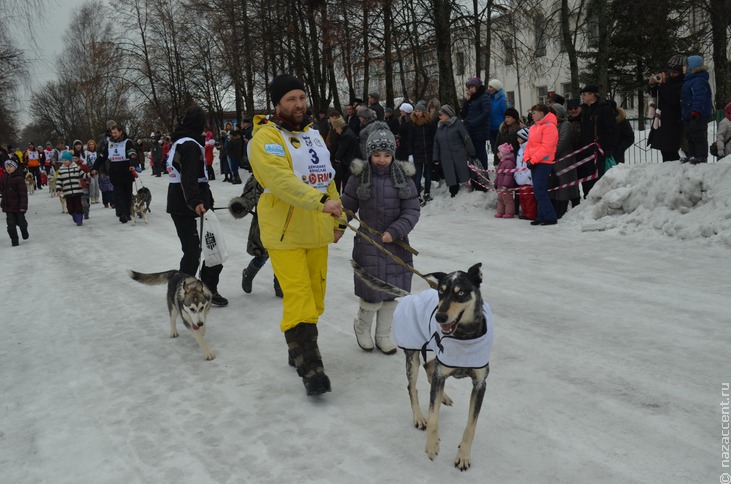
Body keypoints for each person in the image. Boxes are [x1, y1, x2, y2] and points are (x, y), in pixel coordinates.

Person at [248, 74, 346, 397]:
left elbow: (326, 177)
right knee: (299, 298)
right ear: (277, 104)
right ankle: (311, 367)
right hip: (286, 232)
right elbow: (279, 180)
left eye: (302, 98)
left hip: (317, 231)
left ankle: (298, 347)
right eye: (291, 99)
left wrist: (339, 218)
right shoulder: (266, 137)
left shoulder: (313, 136)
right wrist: (320, 202)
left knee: (316, 299)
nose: (299, 104)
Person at [341, 121, 420, 354]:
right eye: (377, 154)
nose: (382, 159)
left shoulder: (403, 178)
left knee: (391, 293)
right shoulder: (359, 178)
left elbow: (412, 211)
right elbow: (346, 208)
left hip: (397, 244)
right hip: (368, 244)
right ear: (369, 154)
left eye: (387, 154)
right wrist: (337, 227)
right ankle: (362, 327)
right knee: (371, 292)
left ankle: (384, 333)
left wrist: (395, 231)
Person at [166, 105, 228, 307]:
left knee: (211, 248)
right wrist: (196, 202)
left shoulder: (183, 141)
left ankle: (208, 288)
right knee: (194, 252)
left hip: (187, 201)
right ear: (200, 124)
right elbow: (189, 177)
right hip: (187, 205)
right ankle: (182, 292)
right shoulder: (190, 145)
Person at [229, 173, 283, 298]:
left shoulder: (290, 171)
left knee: (282, 255)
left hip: (287, 221)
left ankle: (280, 284)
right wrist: (240, 205)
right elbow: (248, 198)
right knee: (262, 256)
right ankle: (248, 273)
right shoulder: (260, 175)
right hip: (265, 223)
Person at [93, 120, 139, 223]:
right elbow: (102, 156)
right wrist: (95, 167)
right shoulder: (109, 143)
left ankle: (128, 212)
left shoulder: (128, 142)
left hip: (126, 170)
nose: (113, 135)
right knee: (118, 194)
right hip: (115, 171)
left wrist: (132, 164)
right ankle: (122, 213)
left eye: (115, 133)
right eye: (112, 133)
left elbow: (133, 154)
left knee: (127, 193)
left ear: (120, 132)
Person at [577, 85, 617, 197]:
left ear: (592, 95)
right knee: (587, 179)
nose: (583, 97)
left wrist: (608, 148)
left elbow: (611, 130)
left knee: (598, 179)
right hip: (586, 150)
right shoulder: (585, 109)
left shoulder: (604, 108)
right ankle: (588, 199)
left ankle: (599, 199)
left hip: (599, 150)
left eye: (585, 94)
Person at [523, 104, 558, 225]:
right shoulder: (533, 127)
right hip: (534, 162)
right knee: (538, 190)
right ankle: (541, 216)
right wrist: (527, 158)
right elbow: (529, 145)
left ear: (542, 113)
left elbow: (546, 147)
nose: (532, 115)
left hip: (544, 162)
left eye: (534, 113)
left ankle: (550, 216)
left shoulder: (550, 127)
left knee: (539, 189)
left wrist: (533, 160)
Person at [647, 55, 685, 162]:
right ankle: (668, 175)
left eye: (675, 73)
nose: (672, 75)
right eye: (670, 72)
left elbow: (673, 98)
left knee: (671, 152)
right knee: (664, 151)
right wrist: (652, 84)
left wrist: (664, 84)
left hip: (673, 122)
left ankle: (674, 174)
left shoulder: (682, 83)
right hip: (661, 120)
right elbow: (655, 94)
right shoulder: (668, 81)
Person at [433, 104, 476, 197]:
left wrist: (472, 152)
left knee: (463, 172)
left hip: (459, 154)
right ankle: (453, 190)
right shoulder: (440, 126)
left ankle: (468, 190)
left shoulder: (457, 124)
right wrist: (435, 157)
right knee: (450, 175)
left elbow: (466, 138)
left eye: (441, 114)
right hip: (446, 157)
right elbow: (436, 143)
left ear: (447, 115)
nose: (439, 117)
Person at [680, 54, 713, 164]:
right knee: (690, 135)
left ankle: (701, 156)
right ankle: (692, 155)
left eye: (685, 66)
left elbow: (699, 97)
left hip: (698, 115)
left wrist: (696, 111)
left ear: (691, 68)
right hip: (689, 114)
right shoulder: (689, 80)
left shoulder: (698, 80)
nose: (682, 68)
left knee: (699, 135)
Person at [549, 104, 579, 219]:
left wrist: (550, 153)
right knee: (556, 185)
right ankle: (557, 210)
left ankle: (563, 211)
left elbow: (563, 141)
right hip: (554, 160)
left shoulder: (566, 125)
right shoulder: (552, 125)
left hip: (564, 160)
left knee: (565, 186)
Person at [460, 77, 491, 170]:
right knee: (473, 154)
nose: (470, 89)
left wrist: (473, 123)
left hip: (480, 131)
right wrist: (466, 100)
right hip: (471, 131)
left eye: (472, 87)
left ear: (477, 87)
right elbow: (463, 114)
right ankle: (476, 175)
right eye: (469, 87)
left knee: (480, 153)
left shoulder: (484, 97)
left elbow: (486, 113)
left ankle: (483, 174)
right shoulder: (472, 99)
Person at [408, 100, 435, 204]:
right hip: (417, 152)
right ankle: (417, 195)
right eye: (416, 111)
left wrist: (434, 151)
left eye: (419, 111)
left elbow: (432, 138)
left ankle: (427, 193)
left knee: (428, 174)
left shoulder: (429, 122)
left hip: (428, 152)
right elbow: (409, 139)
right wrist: (410, 154)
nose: (417, 113)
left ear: (424, 112)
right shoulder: (412, 123)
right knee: (418, 175)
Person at [0, 158, 29, 246]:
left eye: (10, 166)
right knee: (10, 226)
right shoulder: (4, 178)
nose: (8, 168)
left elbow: (23, 194)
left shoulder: (19, 179)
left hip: (18, 206)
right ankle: (14, 241)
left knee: (21, 223)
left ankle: (24, 231)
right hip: (8, 207)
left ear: (15, 167)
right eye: (6, 166)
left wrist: (23, 206)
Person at [56, 151, 89, 226]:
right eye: (63, 160)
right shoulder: (61, 170)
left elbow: (83, 175)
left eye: (66, 160)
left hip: (77, 190)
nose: (64, 162)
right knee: (70, 208)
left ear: (70, 160)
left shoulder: (76, 167)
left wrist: (90, 174)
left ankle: (79, 219)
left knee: (78, 206)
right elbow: (59, 181)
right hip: (67, 192)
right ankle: (74, 215)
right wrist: (58, 189)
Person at [331, 116, 359, 194]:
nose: (336, 131)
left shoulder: (345, 135)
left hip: (348, 162)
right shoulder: (349, 132)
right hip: (352, 160)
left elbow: (342, 149)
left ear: (340, 127)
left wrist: (336, 158)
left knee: (346, 180)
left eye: (336, 129)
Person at [514, 127, 536, 221]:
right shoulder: (520, 150)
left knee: (529, 199)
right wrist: (516, 174)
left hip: (528, 179)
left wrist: (528, 175)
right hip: (520, 179)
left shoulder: (530, 149)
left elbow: (531, 164)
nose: (517, 139)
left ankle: (531, 214)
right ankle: (525, 212)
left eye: (519, 137)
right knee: (522, 198)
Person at [487, 78, 509, 161]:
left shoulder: (502, 99)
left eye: (491, 87)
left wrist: (504, 126)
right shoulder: (489, 99)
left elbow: (507, 113)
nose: (489, 89)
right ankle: (498, 166)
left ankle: (505, 166)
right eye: (488, 87)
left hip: (500, 129)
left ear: (496, 88)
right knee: (494, 150)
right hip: (491, 129)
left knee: (502, 150)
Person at [494, 143, 516, 219]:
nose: (497, 154)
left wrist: (505, 185)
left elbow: (508, 175)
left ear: (503, 154)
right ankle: (500, 212)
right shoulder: (502, 162)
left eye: (499, 152)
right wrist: (496, 183)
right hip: (500, 186)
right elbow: (498, 175)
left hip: (506, 186)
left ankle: (509, 213)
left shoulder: (509, 163)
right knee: (500, 199)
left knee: (508, 200)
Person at [85, 139, 101, 203]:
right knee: (92, 184)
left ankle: (97, 196)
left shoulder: (97, 152)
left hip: (96, 170)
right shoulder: (86, 153)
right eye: (90, 145)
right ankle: (92, 197)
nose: (91, 146)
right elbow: (85, 161)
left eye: (92, 144)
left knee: (97, 184)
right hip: (89, 170)